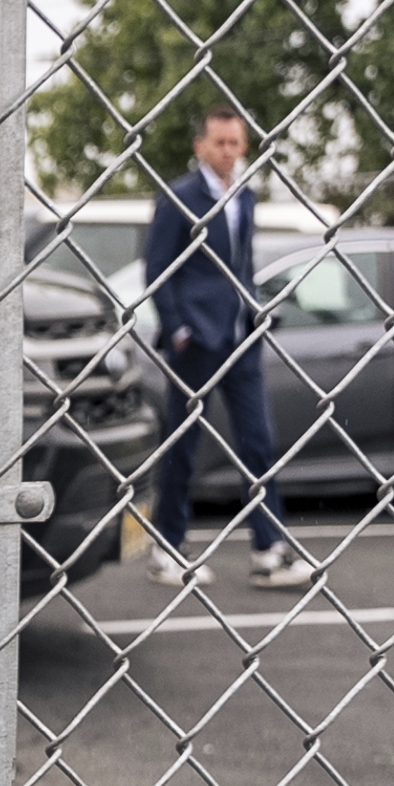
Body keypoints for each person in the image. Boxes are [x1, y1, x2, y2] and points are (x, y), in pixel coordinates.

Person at [140, 108, 312, 591]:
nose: (228, 152)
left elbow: (241, 263)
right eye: (219, 143)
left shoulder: (245, 196)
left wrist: (254, 308)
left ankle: (268, 550)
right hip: (196, 341)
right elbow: (157, 267)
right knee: (184, 446)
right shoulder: (180, 196)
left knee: (258, 442)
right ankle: (167, 547)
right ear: (201, 146)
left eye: (235, 143)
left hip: (240, 338)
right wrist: (177, 328)